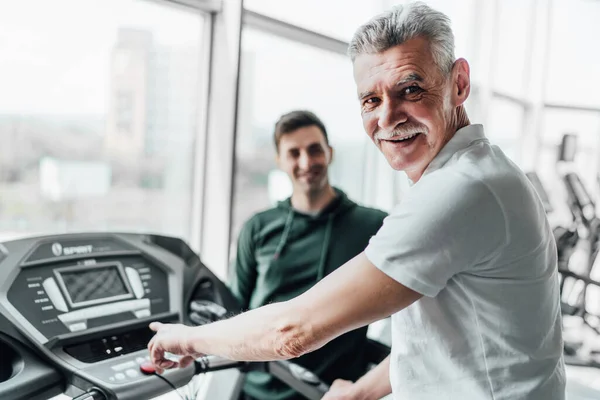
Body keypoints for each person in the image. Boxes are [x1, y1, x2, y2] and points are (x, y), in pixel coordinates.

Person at [148, 3, 565, 399]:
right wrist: (360, 392)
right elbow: (447, 339)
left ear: (458, 84)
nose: (387, 118)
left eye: (410, 89)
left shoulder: (460, 190)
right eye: (371, 100)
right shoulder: (479, 171)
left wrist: (186, 338)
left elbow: (292, 331)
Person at [230, 110, 387, 400]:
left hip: (334, 394)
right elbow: (233, 313)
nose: (306, 162)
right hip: (257, 393)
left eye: (314, 150)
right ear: (279, 161)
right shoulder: (258, 228)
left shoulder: (374, 226)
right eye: (294, 153)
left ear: (330, 152)